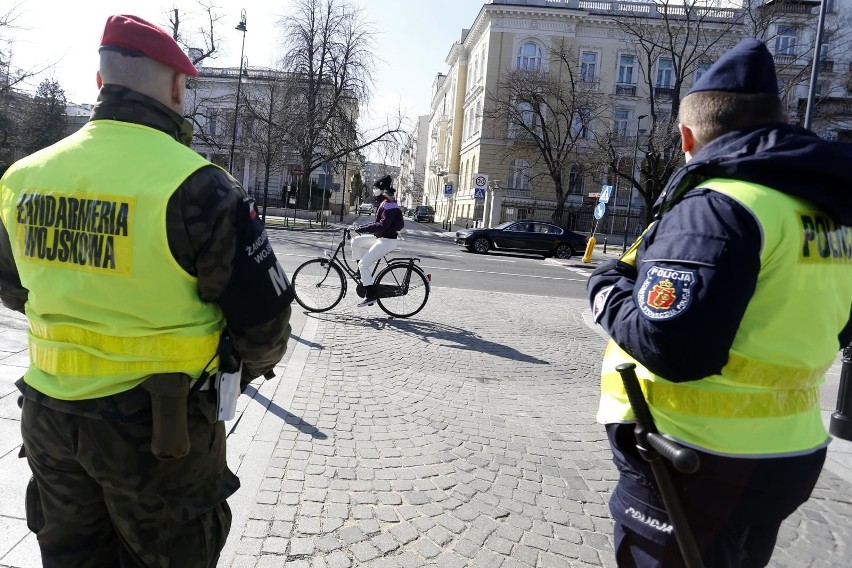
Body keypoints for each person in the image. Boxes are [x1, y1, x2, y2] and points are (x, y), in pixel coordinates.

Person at [0, 14, 293, 568]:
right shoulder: (199, 186)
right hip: (160, 430)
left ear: (99, 83)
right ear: (178, 87)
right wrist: (230, 377)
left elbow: (13, 287)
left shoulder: (22, 178)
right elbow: (266, 327)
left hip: (49, 416)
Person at [587, 38, 852, 567]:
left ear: (688, 135)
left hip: (696, 460)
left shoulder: (722, 205)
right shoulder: (831, 212)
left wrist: (603, 293)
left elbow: (674, 348)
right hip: (786, 451)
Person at [351, 175, 405, 307]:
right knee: (356, 242)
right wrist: (361, 228)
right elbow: (377, 223)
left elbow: (382, 225)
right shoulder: (384, 202)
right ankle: (362, 274)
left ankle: (370, 295)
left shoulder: (389, 204)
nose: (374, 190)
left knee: (364, 264)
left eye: (376, 188)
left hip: (387, 241)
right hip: (381, 238)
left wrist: (363, 229)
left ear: (382, 190)